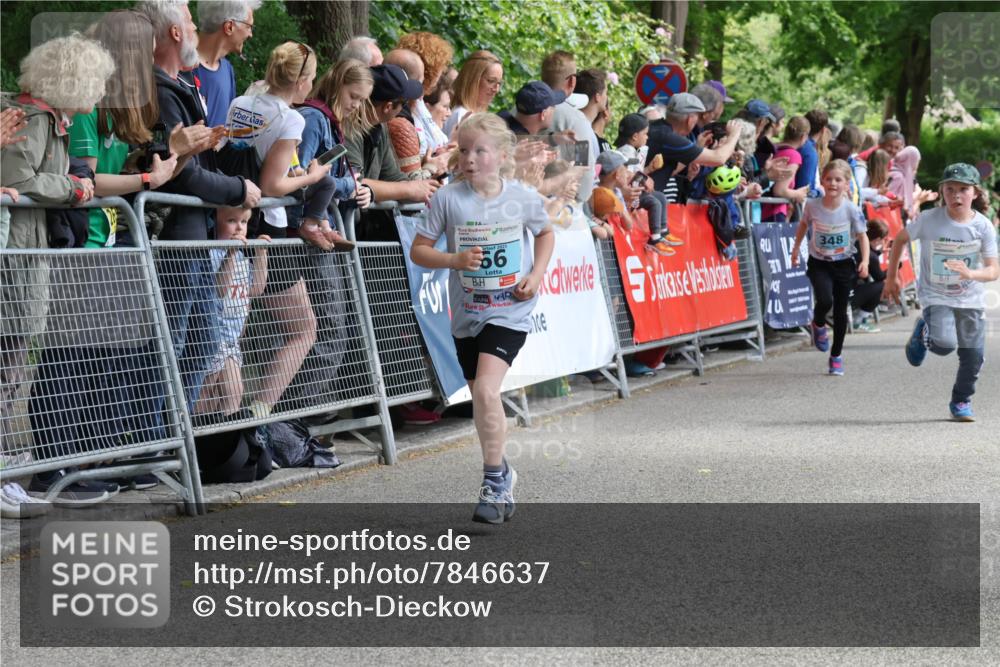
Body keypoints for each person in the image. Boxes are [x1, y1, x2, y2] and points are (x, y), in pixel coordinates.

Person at [410, 112, 554, 524]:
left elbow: (545, 233)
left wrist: (536, 273)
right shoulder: (447, 198)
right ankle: (504, 471)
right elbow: (420, 250)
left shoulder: (522, 197)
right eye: (464, 150)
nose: (469, 158)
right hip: (467, 313)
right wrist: (453, 259)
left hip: (509, 309)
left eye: (480, 151)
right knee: (480, 398)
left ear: (502, 155)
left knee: (488, 392)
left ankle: (492, 481)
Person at [1, 35, 113, 506]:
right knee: (8, 366)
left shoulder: (44, 118)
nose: (102, 91)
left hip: (26, 252)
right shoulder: (33, 117)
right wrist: (75, 188)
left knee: (12, 367)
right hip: (17, 255)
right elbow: (16, 180)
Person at [224, 40, 345, 421]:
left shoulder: (243, 102)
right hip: (268, 230)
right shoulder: (290, 117)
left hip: (233, 218)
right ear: (303, 81)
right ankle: (260, 415)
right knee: (303, 327)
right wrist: (310, 176)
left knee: (228, 328)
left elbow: (247, 158)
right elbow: (273, 184)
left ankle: (233, 414)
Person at [887, 163, 999, 421]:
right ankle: (923, 331)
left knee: (973, 354)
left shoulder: (982, 227)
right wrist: (891, 277)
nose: (956, 195)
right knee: (944, 345)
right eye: (950, 189)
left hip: (970, 296)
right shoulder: (929, 220)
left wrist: (971, 274)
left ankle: (961, 401)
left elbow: (993, 271)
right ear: (942, 191)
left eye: (963, 189)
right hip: (936, 295)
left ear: (974, 193)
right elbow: (901, 239)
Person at [791, 159, 870, 376]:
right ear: (822, 182)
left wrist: (865, 261)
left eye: (838, 180)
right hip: (820, 263)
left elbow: (863, 237)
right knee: (825, 300)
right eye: (829, 179)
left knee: (841, 310)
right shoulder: (813, 206)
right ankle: (818, 324)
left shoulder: (851, 210)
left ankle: (836, 356)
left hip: (844, 264)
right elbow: (803, 226)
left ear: (847, 185)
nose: (833, 183)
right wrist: (796, 249)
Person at [195, 207, 269, 417]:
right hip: (212, 338)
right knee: (204, 396)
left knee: (234, 392)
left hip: (231, 341)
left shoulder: (243, 259)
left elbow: (255, 289)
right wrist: (231, 253)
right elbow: (219, 289)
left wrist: (261, 254)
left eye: (244, 222)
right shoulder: (213, 253)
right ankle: (199, 435)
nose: (239, 227)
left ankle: (229, 438)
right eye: (231, 220)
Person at [298, 58, 374, 208]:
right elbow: (299, 178)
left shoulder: (331, 122)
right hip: (300, 222)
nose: (356, 105)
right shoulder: (314, 119)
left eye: (362, 100)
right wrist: (349, 185)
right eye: (353, 96)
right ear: (337, 85)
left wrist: (362, 190)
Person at [646, 92, 740, 200]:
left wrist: (697, 148)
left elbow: (669, 171)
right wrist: (734, 134)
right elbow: (719, 158)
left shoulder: (656, 128)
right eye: (698, 117)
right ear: (690, 120)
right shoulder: (669, 137)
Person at [614, 113, 679, 254]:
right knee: (654, 202)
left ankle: (663, 232)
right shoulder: (625, 153)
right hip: (631, 196)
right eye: (645, 134)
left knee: (660, 196)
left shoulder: (633, 151)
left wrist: (649, 169)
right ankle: (655, 239)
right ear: (635, 136)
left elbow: (636, 173)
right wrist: (644, 178)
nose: (647, 137)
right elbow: (628, 176)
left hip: (637, 191)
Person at [193, 0, 261, 127]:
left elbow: (227, 131)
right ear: (229, 27)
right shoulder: (183, 68)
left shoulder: (227, 69)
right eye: (249, 26)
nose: (250, 34)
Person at [397, 31, 454, 155]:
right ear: (430, 69)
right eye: (441, 67)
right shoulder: (402, 107)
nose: (442, 72)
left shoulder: (419, 102)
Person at [442, 50, 503, 138]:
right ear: (472, 80)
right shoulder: (461, 115)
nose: (496, 89)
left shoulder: (478, 117)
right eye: (491, 81)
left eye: (499, 83)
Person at [762, 116, 810, 222]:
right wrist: (798, 194)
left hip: (759, 209)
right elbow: (779, 190)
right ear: (804, 136)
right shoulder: (793, 155)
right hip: (774, 211)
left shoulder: (773, 147)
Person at [851, 219, 889, 333]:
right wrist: (894, 267)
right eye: (884, 239)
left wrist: (879, 252)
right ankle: (859, 320)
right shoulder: (871, 256)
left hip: (837, 291)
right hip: (848, 295)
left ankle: (858, 318)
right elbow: (880, 277)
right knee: (882, 286)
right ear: (878, 240)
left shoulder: (856, 243)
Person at [798, 110, 828, 198]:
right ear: (823, 130)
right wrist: (819, 191)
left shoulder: (798, 145)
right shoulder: (809, 152)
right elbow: (806, 188)